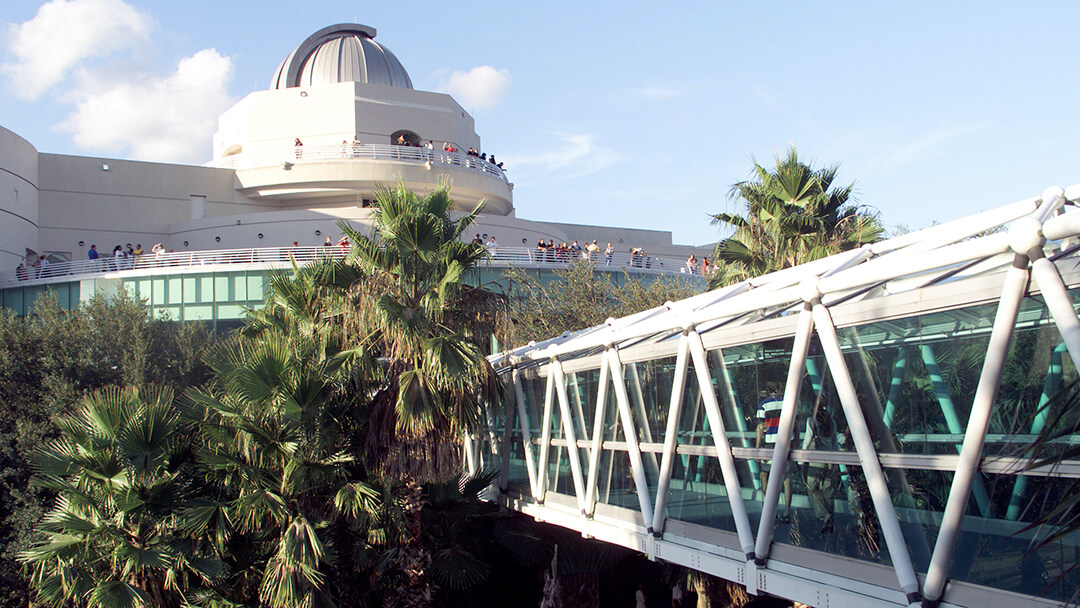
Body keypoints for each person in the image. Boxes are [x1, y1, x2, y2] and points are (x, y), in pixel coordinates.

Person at [757, 386, 793, 522]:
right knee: (786, 477)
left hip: (770, 443)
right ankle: (787, 511)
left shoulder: (764, 404)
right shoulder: (788, 402)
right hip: (786, 443)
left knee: (764, 475)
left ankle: (770, 509)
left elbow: (761, 427)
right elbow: (794, 423)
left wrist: (757, 447)